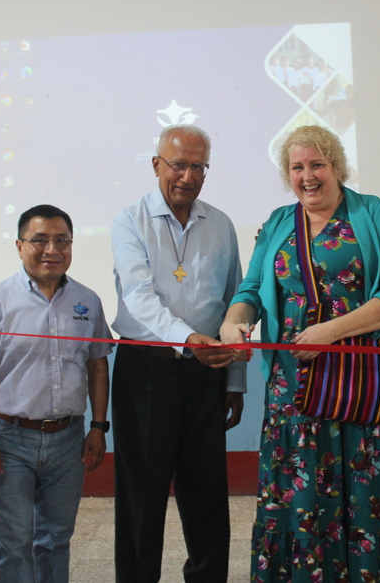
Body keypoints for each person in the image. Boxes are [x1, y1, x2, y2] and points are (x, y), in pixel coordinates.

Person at [220, 124, 380, 581]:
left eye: (317, 164)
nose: (308, 176)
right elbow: (251, 289)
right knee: (301, 495)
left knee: (364, 490)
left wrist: (328, 333)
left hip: (362, 384)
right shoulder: (277, 221)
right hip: (292, 389)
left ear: (336, 167)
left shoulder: (371, 212)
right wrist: (234, 320)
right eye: (298, 167)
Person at [110, 124, 245, 583]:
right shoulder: (129, 221)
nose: (187, 176)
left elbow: (234, 305)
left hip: (208, 373)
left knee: (208, 495)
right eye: (178, 164)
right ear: (156, 166)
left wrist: (234, 380)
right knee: (141, 498)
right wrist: (188, 340)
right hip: (145, 372)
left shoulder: (222, 224)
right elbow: (139, 298)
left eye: (197, 166)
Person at [0, 204, 111, 583]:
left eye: (62, 240)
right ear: (19, 245)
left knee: (56, 538)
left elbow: (97, 364)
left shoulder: (88, 301)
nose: (52, 250)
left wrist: (98, 427)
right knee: (13, 541)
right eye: (40, 240)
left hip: (68, 439)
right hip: (9, 439)